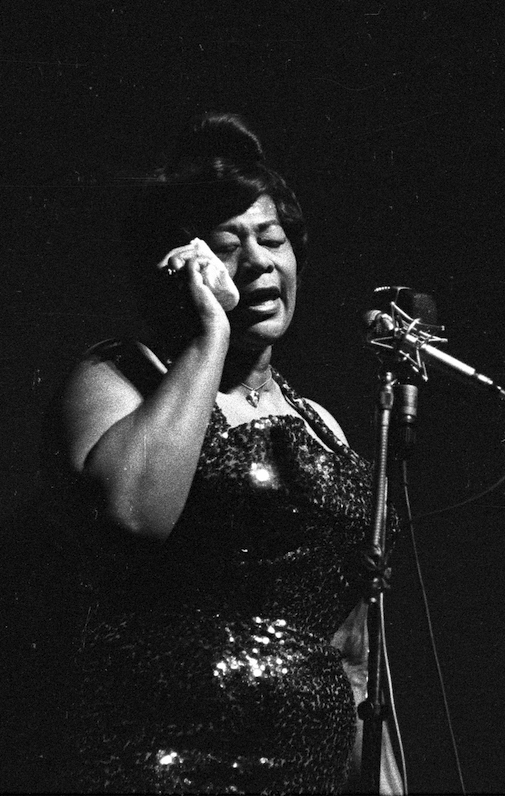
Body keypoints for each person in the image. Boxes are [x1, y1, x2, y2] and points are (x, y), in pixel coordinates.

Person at [52, 112, 403, 793]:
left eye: (272, 239)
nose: (259, 261)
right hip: (166, 765)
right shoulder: (119, 377)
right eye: (227, 244)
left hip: (308, 774)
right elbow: (132, 514)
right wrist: (208, 331)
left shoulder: (321, 424)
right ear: (183, 263)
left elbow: (356, 649)